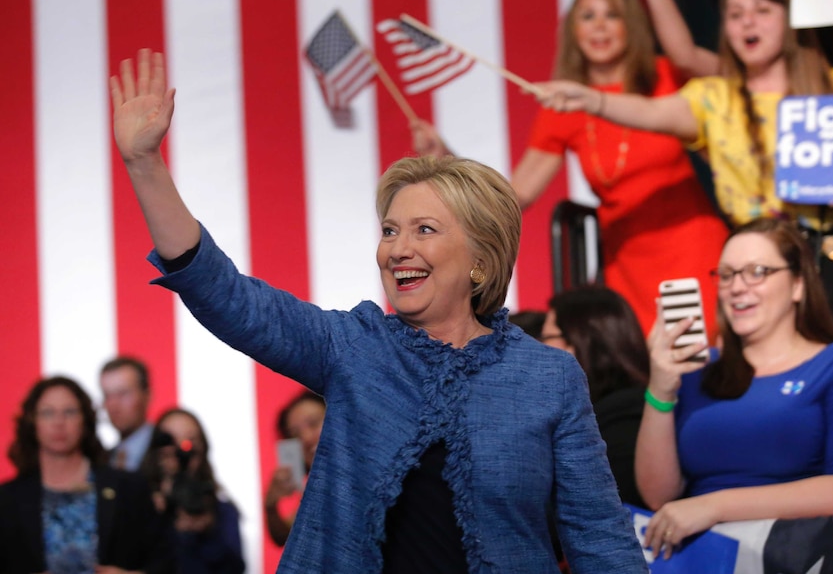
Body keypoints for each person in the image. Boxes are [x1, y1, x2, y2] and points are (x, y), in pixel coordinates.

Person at [110, 49, 648, 573]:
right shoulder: (355, 346)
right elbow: (225, 295)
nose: (397, 249)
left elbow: (600, 536)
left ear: (481, 262)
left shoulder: (548, 376)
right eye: (390, 230)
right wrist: (144, 164)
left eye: (424, 230)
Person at [535, 0, 833, 342]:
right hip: (755, 269)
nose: (748, 22)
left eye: (762, 11)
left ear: (789, 20)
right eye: (735, 15)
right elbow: (650, 112)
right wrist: (591, 100)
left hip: (832, 261)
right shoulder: (713, 98)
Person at [412, 0, 728, 337]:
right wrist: (447, 158)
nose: (600, 26)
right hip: (625, 267)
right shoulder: (564, 105)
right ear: (573, 31)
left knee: (701, 361)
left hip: (693, 249)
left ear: (632, 25)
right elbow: (516, 194)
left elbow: (708, 65)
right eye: (588, 16)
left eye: (613, 15)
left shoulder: (667, 76)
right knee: (638, 371)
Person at [636, 218, 833, 559]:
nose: (737, 287)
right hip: (700, 557)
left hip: (791, 555)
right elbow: (659, 497)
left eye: (756, 271)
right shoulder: (697, 369)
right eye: (726, 274)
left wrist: (715, 506)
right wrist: (660, 390)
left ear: (799, 284)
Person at [0, 376, 174, 573]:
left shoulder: (129, 487)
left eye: (70, 412)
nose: (59, 422)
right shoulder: (7, 500)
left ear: (86, 420)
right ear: (32, 422)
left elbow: (167, 561)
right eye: (48, 413)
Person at [541, 286, 648, 508]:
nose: (538, 348)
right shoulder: (593, 411)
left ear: (580, 341)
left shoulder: (625, 416)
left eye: (547, 338)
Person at [140, 408, 245, 574]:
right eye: (168, 441)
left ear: (202, 450)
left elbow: (234, 568)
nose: (179, 451)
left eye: (190, 442)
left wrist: (205, 533)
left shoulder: (222, 512)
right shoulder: (137, 504)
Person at [264, 391, 326, 546]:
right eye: (294, 434)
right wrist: (270, 506)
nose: (305, 438)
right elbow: (284, 537)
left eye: (313, 423)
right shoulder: (317, 492)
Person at [100, 355, 155, 471]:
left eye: (123, 394)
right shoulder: (101, 459)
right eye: (107, 395)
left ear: (147, 395)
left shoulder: (166, 450)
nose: (113, 405)